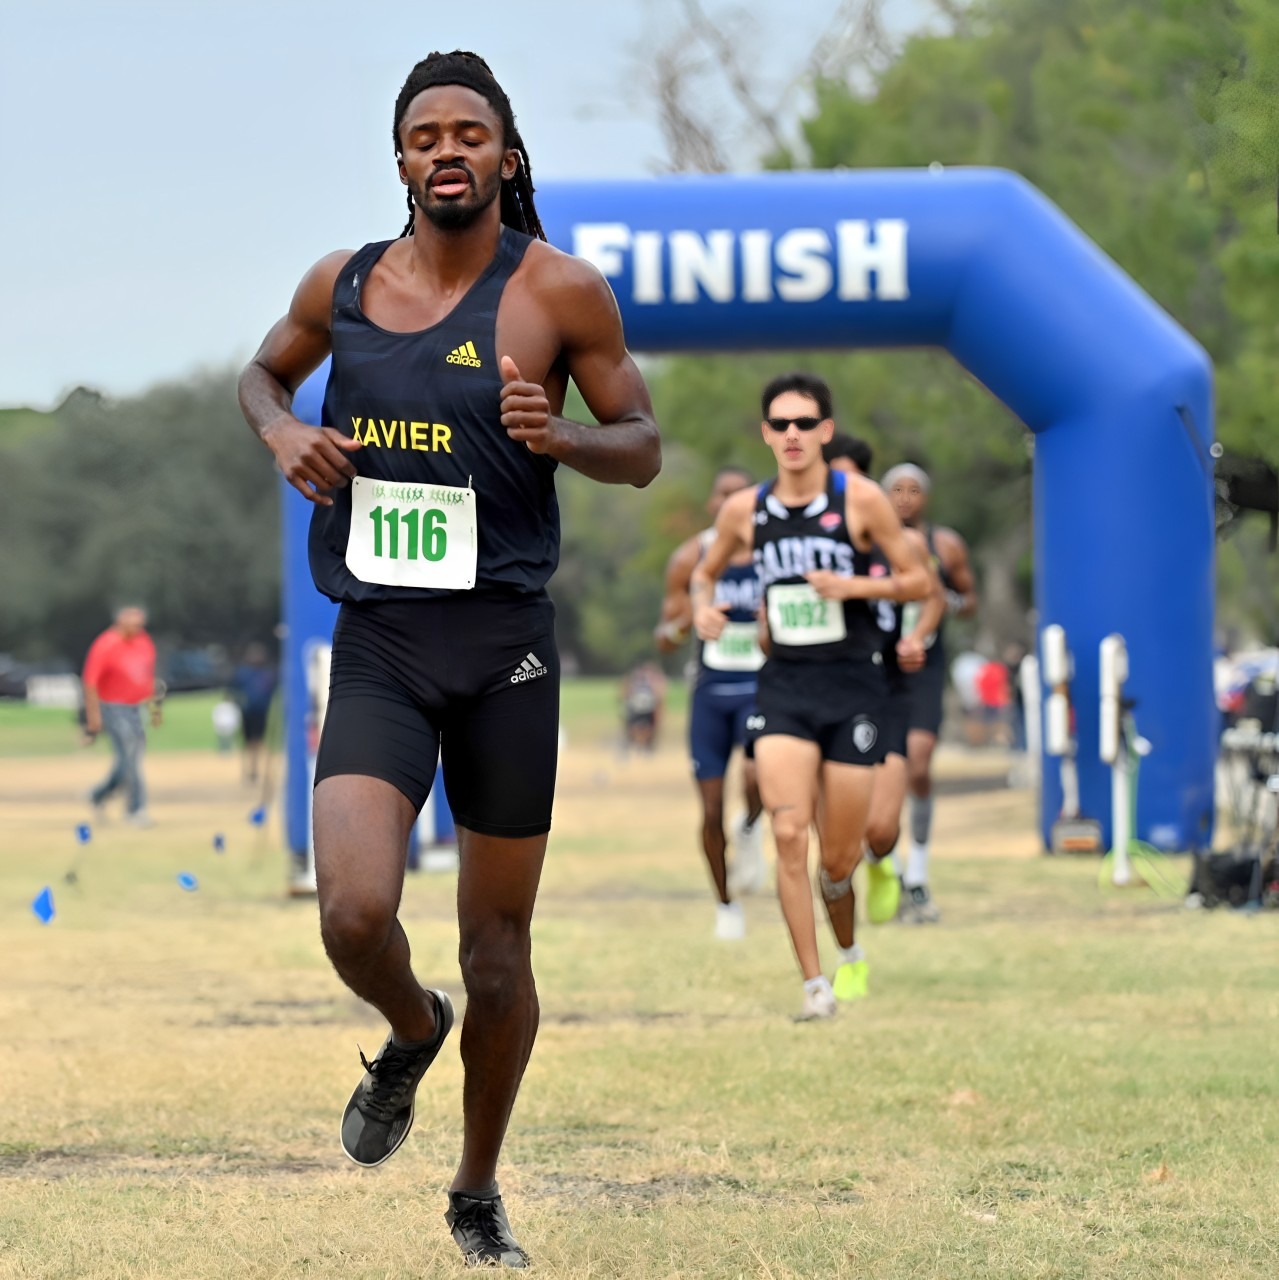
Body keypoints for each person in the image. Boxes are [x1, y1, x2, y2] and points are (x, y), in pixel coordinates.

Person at [237, 51, 660, 1270]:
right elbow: (260, 373)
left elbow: (642, 445)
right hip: (379, 637)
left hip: (504, 649)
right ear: (401, 160)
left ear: (506, 156)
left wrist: (563, 436)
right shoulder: (346, 283)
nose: (447, 151)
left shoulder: (561, 292)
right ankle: (412, 1027)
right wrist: (283, 430)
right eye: (424, 135)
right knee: (357, 912)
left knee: (498, 945)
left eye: (469, 132)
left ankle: (475, 1187)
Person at [692, 373, 927, 1021]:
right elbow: (703, 575)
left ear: (824, 430)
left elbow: (916, 581)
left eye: (804, 423)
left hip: (852, 688)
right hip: (784, 689)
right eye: (779, 424)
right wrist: (703, 609)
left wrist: (853, 590)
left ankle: (848, 939)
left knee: (837, 856)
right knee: (788, 832)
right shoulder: (744, 511)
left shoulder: (861, 501)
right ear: (766, 433)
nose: (792, 435)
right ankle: (813, 986)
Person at [823, 437, 945, 932]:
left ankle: (882, 861)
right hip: (830, 687)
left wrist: (915, 636)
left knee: (879, 828)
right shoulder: (810, 539)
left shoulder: (903, 542)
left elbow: (932, 596)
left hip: (890, 689)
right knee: (832, 832)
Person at [655, 466, 765, 940]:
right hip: (711, 693)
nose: (731, 503)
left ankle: (751, 824)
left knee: (763, 780)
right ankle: (725, 904)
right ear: (712, 504)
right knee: (711, 807)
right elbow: (665, 637)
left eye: (742, 496)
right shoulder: (691, 558)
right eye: (724, 495)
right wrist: (691, 622)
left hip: (762, 687)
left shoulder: (773, 551)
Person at [883, 463, 977, 924]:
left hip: (923, 664)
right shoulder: (866, 540)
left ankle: (917, 873)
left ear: (926, 497)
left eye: (913, 490)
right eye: (895, 490)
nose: (904, 498)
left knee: (918, 763)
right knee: (880, 775)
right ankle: (889, 871)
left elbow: (967, 597)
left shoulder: (946, 544)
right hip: (876, 668)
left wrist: (940, 600)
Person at [82, 605, 160, 827]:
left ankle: (98, 794)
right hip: (113, 707)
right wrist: (93, 719)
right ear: (121, 622)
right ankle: (136, 809)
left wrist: (154, 709)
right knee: (130, 755)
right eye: (133, 624)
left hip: (137, 708)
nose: (138, 628)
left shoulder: (144, 642)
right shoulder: (106, 645)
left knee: (129, 759)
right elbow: (90, 683)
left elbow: (147, 678)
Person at [229, 642, 278, 784]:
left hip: (261, 711)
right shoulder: (243, 673)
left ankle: (256, 769)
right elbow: (234, 690)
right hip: (246, 711)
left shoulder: (267, 674)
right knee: (247, 742)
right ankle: (248, 769)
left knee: (258, 741)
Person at [620, 660, 667, 753]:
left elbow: (660, 694)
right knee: (633, 725)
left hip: (648, 707)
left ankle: (646, 744)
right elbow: (625, 691)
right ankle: (635, 742)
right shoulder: (635, 680)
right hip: (636, 706)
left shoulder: (652, 681)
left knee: (648, 726)